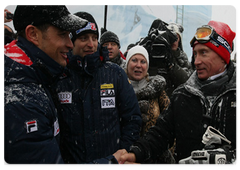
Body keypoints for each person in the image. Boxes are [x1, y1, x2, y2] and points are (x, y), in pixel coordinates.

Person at [119, 20, 237, 165]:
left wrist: (231, 159)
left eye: (203, 53)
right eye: (195, 54)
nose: (197, 61)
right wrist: (136, 153)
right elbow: (160, 134)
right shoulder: (183, 95)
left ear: (222, 56)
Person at [2, 3, 88, 164]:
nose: (70, 44)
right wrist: (111, 162)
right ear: (33, 34)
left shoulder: (35, 76)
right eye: (62, 34)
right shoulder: (20, 102)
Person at [56, 11, 142, 164]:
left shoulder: (115, 74)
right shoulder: (60, 76)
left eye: (94, 38)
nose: (91, 44)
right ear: (72, 41)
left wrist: (121, 153)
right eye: (84, 38)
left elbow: (133, 119)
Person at [125, 45, 175, 164]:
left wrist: (169, 153)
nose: (138, 65)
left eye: (143, 61)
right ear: (127, 64)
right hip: (126, 156)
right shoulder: (119, 89)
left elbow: (171, 123)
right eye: (134, 60)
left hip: (154, 156)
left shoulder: (158, 91)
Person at [137, 19, 193, 97]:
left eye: (177, 37)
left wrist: (171, 65)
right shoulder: (154, 52)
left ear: (180, 40)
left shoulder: (182, 58)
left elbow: (187, 81)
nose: (174, 41)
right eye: (171, 37)